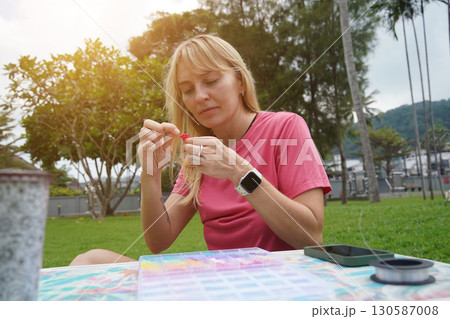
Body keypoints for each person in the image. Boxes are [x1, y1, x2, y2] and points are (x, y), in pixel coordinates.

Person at [70, 34, 331, 266]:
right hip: (219, 283)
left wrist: (237, 171)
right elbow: (159, 240)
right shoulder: (198, 155)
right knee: (89, 260)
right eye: (187, 90)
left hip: (280, 281)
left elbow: (311, 237)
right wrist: (150, 173)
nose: (199, 97)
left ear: (240, 81)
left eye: (211, 80)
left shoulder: (285, 127)